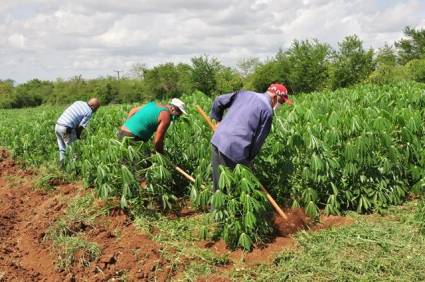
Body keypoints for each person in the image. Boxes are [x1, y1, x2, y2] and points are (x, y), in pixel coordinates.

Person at [210, 83, 293, 191]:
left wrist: (218, 121)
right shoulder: (267, 111)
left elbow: (218, 100)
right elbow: (257, 142)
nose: (280, 105)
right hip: (235, 150)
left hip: (217, 140)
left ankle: (217, 208)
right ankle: (233, 207)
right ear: (274, 97)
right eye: (281, 101)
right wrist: (248, 161)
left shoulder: (245, 94)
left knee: (219, 188)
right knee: (238, 188)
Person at [117, 98, 187, 153]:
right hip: (133, 137)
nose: (178, 116)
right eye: (179, 114)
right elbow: (158, 140)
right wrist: (161, 155)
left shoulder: (153, 104)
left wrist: (126, 125)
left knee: (125, 160)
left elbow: (133, 110)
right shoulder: (166, 116)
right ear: (173, 108)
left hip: (121, 132)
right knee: (136, 165)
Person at [55, 98, 101, 165]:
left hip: (58, 125)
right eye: (96, 108)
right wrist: (78, 136)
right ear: (93, 106)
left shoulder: (78, 102)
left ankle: (62, 164)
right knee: (74, 149)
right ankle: (74, 168)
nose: (96, 110)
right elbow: (80, 126)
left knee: (62, 148)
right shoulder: (89, 112)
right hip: (66, 128)